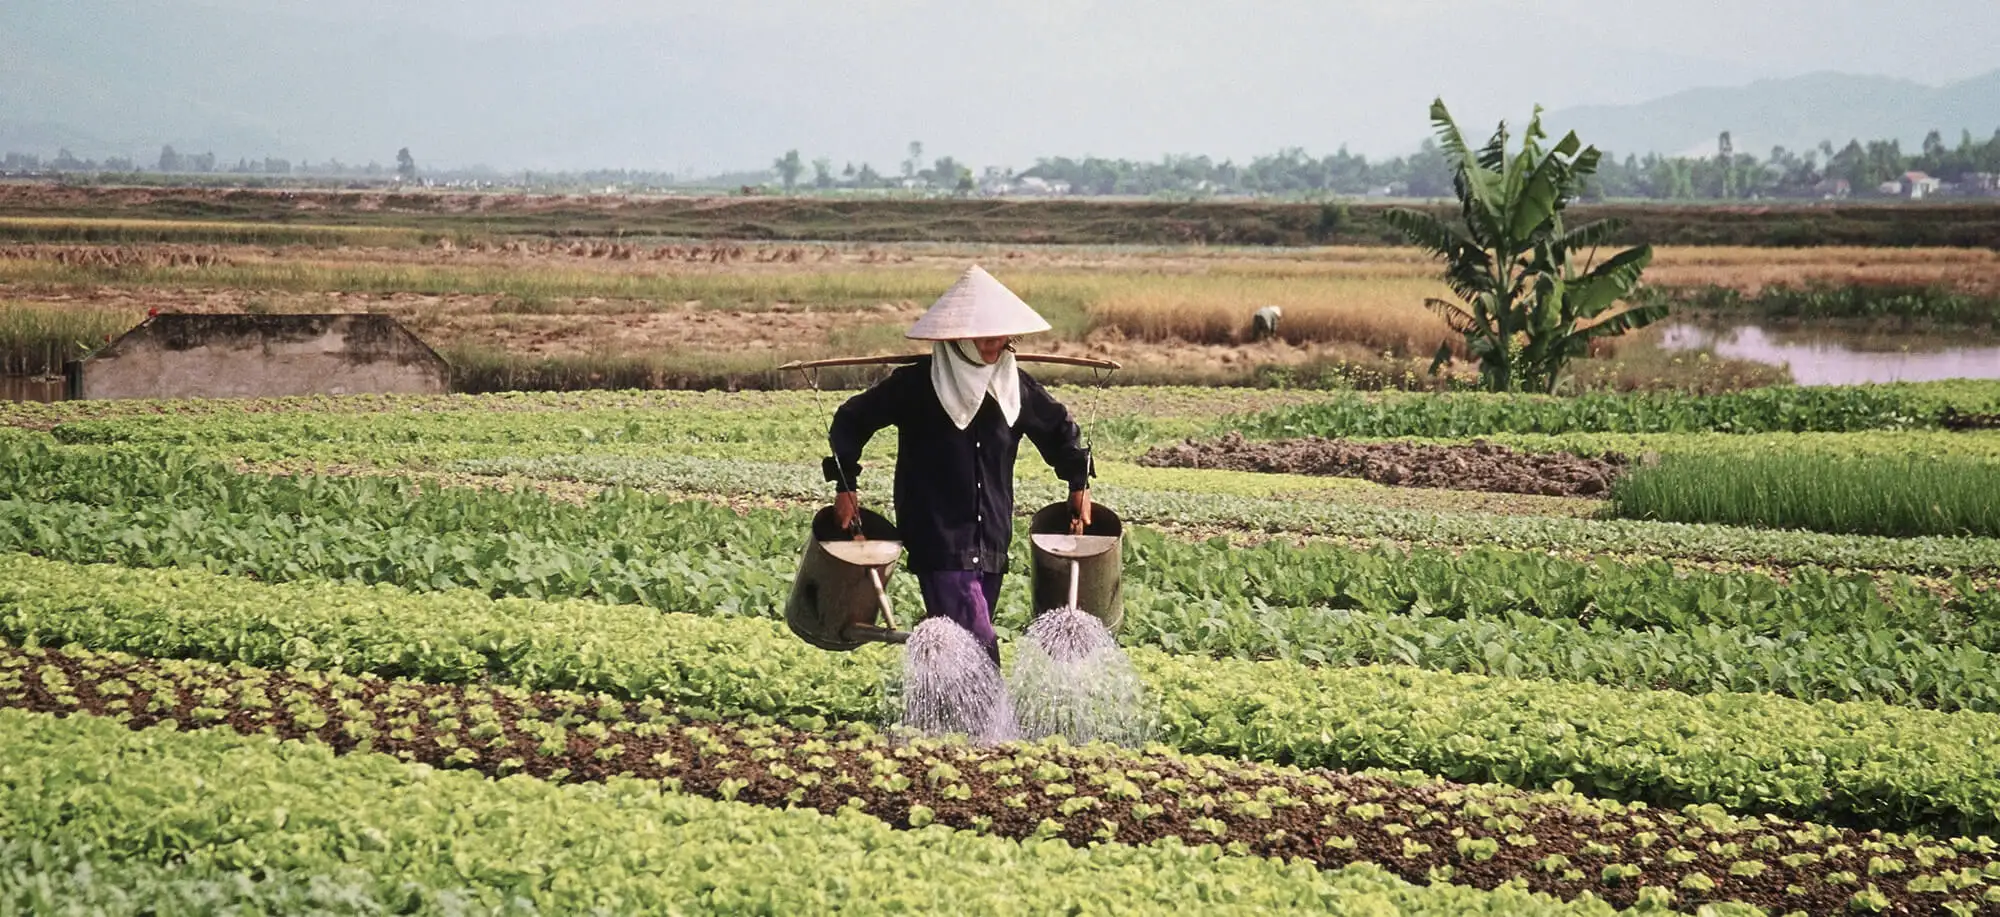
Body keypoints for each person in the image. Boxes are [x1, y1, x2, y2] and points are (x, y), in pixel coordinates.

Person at [824, 265, 1094, 668]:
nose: (993, 342)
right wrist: (845, 486)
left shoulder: (1014, 388)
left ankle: (941, 716)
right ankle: (993, 721)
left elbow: (1060, 433)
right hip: (938, 534)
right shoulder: (916, 386)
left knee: (956, 635)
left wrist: (1079, 485)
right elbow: (851, 420)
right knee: (976, 636)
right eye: (982, 334)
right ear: (958, 337)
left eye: (1000, 334)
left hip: (993, 536)